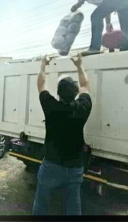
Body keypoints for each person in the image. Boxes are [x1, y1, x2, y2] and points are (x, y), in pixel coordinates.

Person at [32, 53, 92, 215]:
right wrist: (79, 65)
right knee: (73, 204)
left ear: (58, 93)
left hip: (52, 164)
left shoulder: (51, 107)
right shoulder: (82, 107)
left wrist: (43, 64)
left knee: (41, 201)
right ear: (76, 93)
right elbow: (85, 85)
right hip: (75, 166)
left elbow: (41, 83)